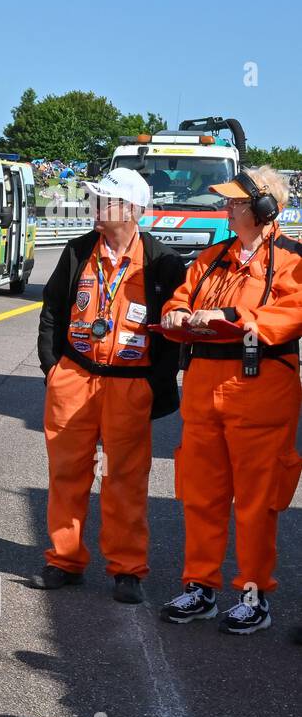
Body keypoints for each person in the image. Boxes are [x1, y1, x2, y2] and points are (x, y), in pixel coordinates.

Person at [158, 166, 302, 634]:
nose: (228, 208)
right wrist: (179, 319)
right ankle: (200, 587)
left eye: (238, 203)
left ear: (263, 209)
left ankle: (254, 595)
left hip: (260, 389)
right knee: (201, 494)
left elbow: (288, 313)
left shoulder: (293, 259)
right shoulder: (210, 257)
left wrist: (233, 317)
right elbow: (177, 301)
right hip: (203, 387)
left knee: (257, 501)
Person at [34, 168, 184, 602]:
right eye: (95, 200)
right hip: (75, 377)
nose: (96, 207)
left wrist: (154, 387)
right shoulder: (78, 251)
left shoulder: (162, 262)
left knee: (125, 479)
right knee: (67, 474)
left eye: (107, 201)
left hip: (130, 385)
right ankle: (64, 560)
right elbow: (52, 313)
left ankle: (127, 569)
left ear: (134, 210)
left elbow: (171, 335)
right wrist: (53, 369)